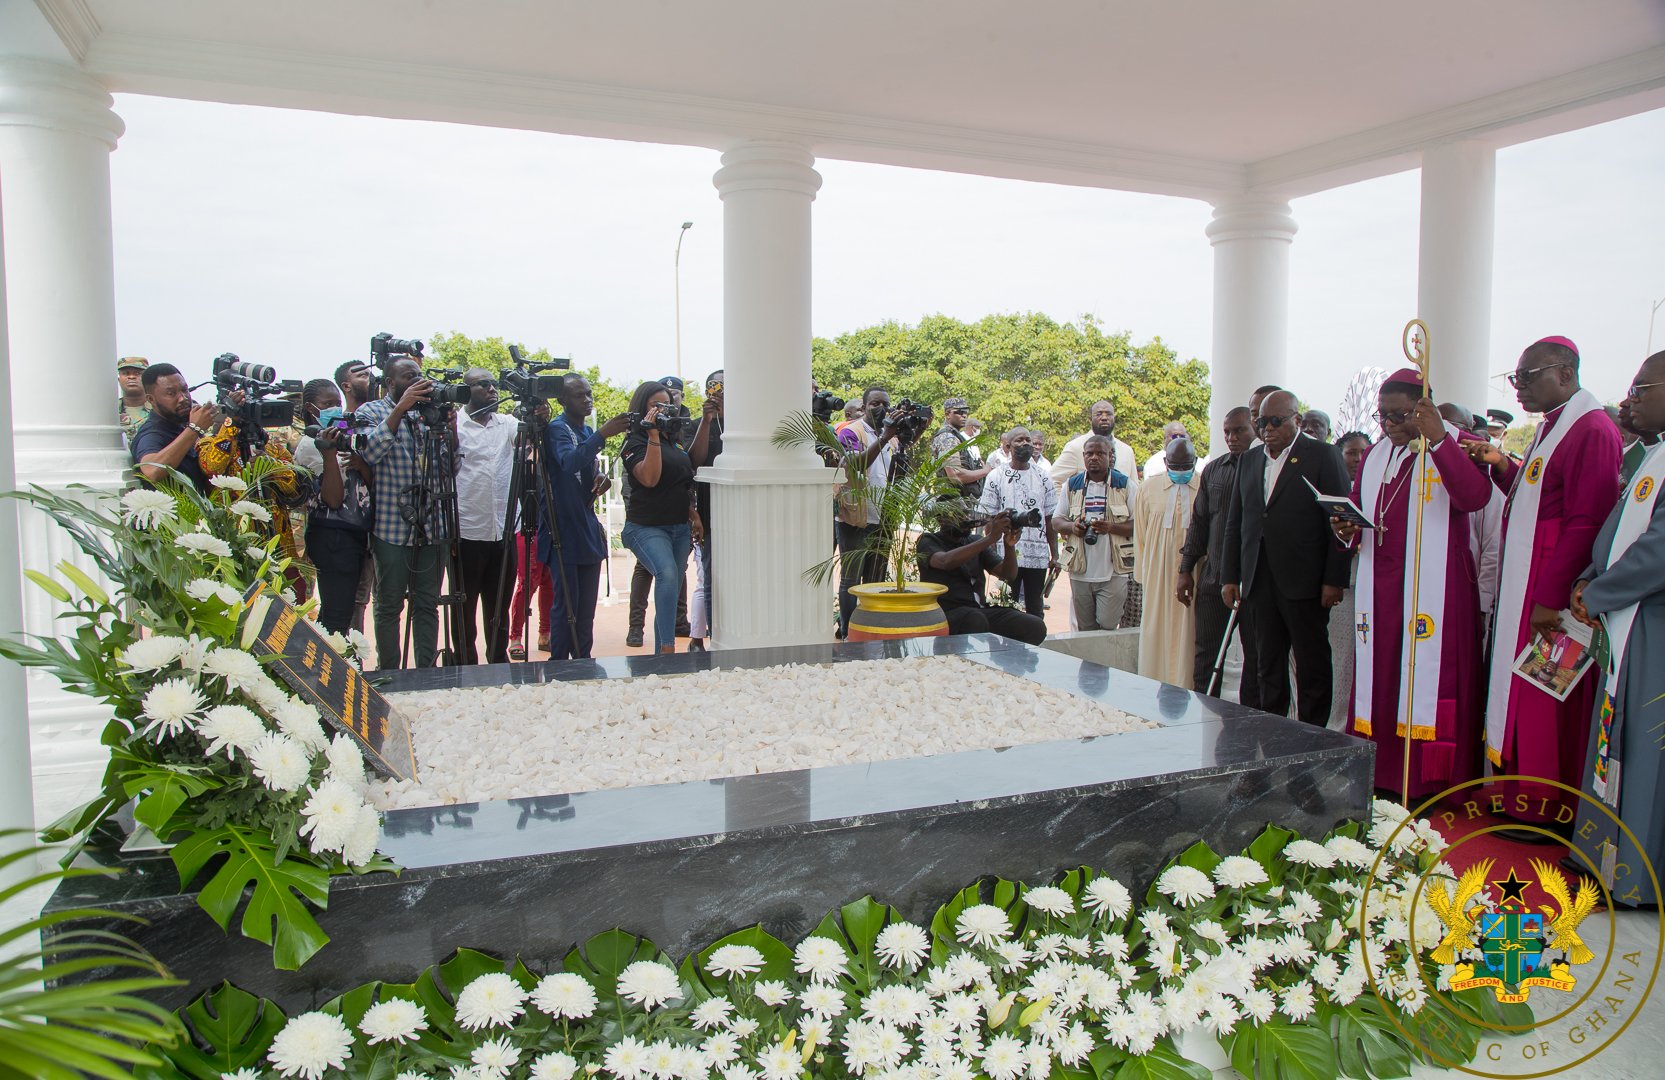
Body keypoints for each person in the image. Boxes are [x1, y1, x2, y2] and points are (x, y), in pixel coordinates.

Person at [1464, 336, 1623, 830]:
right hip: (1526, 580)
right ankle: (1516, 795)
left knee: (1544, 699)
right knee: (1522, 693)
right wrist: (1503, 466)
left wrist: (1549, 598)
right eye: (1515, 379)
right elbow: (1534, 499)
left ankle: (1546, 810)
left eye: (1527, 377)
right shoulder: (1551, 428)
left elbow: (1586, 520)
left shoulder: (1590, 428)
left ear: (1566, 373)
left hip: (1549, 589)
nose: (1518, 390)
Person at [1334, 371, 1491, 799]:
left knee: (1425, 675)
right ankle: (1381, 773)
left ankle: (1428, 782)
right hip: (1381, 586)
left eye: (1400, 415)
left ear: (1425, 410)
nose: (1388, 425)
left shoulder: (1454, 444)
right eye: (1381, 415)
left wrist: (1439, 440)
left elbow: (1475, 497)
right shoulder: (1376, 453)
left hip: (1436, 586)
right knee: (1381, 676)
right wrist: (1346, 529)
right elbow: (1362, 513)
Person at [1570, 350, 1665, 906]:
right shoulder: (1649, 457)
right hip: (1625, 615)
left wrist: (1599, 592)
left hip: (1651, 625)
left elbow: (1657, 553)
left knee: (1644, 746)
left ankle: (1636, 874)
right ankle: (1603, 854)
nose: (1629, 399)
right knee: (1613, 736)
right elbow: (1616, 528)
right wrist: (1588, 577)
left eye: (1641, 388)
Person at [1221, 389, 1351, 725]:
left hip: (1305, 581)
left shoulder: (1322, 455)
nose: (1267, 428)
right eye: (1261, 421)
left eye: (1276, 421)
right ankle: (1272, 729)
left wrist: (1334, 579)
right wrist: (1230, 576)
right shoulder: (1250, 460)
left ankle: (1312, 735)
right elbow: (1237, 522)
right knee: (1266, 664)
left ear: (1297, 419)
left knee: (1312, 664)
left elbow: (1337, 520)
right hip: (1258, 580)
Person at [355, 358, 453, 669]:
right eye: (409, 377)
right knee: (389, 605)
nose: (417, 381)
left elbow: (451, 470)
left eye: (420, 376)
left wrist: (449, 430)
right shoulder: (370, 412)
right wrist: (401, 409)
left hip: (432, 527)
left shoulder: (429, 416)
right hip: (390, 527)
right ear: (390, 383)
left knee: (427, 604)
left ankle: (425, 673)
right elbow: (369, 453)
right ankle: (391, 674)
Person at [542, 375, 633, 660]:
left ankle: (583, 660)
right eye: (579, 395)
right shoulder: (557, 429)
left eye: (589, 394)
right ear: (562, 400)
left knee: (585, 610)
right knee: (566, 606)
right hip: (563, 530)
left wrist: (600, 479)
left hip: (585, 528)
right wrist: (602, 435)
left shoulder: (584, 431)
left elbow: (582, 473)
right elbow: (568, 463)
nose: (587, 400)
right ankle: (559, 665)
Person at [1179, 407, 1256, 698]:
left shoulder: (1262, 470)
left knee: (1256, 660)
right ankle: (1204, 715)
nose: (1231, 438)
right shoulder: (1214, 469)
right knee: (1207, 658)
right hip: (1214, 578)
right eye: (1227, 432)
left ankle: (1249, 723)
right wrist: (1185, 570)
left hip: (1252, 582)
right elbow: (1199, 522)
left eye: (1239, 431)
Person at [620, 380, 701, 655]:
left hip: (679, 526)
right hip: (645, 527)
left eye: (666, 404)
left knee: (670, 587)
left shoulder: (672, 442)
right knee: (666, 574)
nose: (663, 409)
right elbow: (650, 478)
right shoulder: (635, 441)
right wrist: (652, 434)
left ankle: (661, 654)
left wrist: (693, 516)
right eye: (656, 404)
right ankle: (667, 651)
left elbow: (678, 482)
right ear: (643, 407)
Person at [293, 379, 373, 634]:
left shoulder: (344, 436)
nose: (336, 409)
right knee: (336, 618)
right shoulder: (310, 445)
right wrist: (328, 454)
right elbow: (333, 499)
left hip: (354, 534)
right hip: (332, 536)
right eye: (327, 405)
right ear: (310, 408)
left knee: (343, 611)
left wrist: (361, 464)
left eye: (337, 403)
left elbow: (366, 485)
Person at [453, 368, 518, 664]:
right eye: (484, 385)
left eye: (494, 384)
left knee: (498, 608)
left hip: (502, 531)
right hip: (466, 532)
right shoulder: (453, 423)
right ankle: (466, 663)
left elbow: (533, 433)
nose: (493, 389)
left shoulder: (506, 423)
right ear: (467, 391)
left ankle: (497, 661)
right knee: (463, 610)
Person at [916, 508, 1047, 644]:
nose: (965, 518)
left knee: (1035, 626)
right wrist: (990, 538)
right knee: (975, 619)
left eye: (967, 514)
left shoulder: (975, 540)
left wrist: (1009, 546)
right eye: (959, 514)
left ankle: (1006, 661)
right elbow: (945, 561)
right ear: (941, 520)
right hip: (946, 615)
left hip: (978, 612)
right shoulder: (928, 541)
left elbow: (1008, 574)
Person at [834, 387, 902, 637]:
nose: (881, 408)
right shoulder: (852, 431)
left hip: (883, 517)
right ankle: (848, 631)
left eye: (885, 403)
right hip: (856, 517)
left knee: (875, 580)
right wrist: (884, 437)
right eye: (875, 403)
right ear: (863, 407)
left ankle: (870, 629)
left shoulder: (892, 437)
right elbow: (857, 464)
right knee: (851, 580)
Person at [1133, 436, 1200, 686]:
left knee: (1189, 631)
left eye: (1186, 466)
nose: (1181, 471)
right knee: (1155, 629)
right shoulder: (1148, 488)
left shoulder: (1204, 486)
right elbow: (1140, 534)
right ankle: (1154, 682)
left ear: (1194, 462)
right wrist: (1144, 576)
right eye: (1175, 465)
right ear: (1165, 461)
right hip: (1157, 576)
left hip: (1194, 573)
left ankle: (1187, 684)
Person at [1053, 435, 1133, 631]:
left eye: (1100, 453)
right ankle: (1089, 663)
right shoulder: (1072, 485)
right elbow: (1056, 521)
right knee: (1085, 629)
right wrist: (1073, 527)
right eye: (1089, 453)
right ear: (1083, 456)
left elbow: (1139, 524)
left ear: (1110, 455)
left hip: (1114, 571)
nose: (1094, 458)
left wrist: (1110, 528)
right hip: (1080, 571)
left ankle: (1105, 662)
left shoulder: (1125, 485)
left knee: (1107, 624)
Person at [976, 428, 1058, 619]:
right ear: (1009, 446)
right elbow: (987, 517)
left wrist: (1055, 554)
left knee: (1035, 609)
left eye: (1028, 440)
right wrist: (989, 551)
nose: (1025, 444)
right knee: (1006, 607)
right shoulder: (996, 476)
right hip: (1006, 556)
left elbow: (1050, 517)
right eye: (1020, 440)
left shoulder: (1044, 476)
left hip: (1038, 556)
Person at [130, 362, 225, 492]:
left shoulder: (182, 423)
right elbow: (152, 470)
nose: (183, 398)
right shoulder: (152, 433)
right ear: (151, 399)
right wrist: (194, 430)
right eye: (171, 393)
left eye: (184, 389)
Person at [508, 399, 555, 660]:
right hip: (526, 523)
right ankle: (515, 636)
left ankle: (545, 633)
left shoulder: (551, 441)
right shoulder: (518, 446)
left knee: (550, 582)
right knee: (528, 581)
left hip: (550, 523)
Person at [334, 359, 376, 632]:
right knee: (343, 602)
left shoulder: (382, 420)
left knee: (365, 599)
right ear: (346, 385)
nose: (370, 378)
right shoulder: (339, 423)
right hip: (343, 526)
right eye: (362, 375)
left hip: (376, 526)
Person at [687, 369, 725, 651]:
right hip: (710, 514)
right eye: (717, 387)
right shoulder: (697, 424)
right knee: (712, 578)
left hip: (741, 513)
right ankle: (715, 640)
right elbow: (693, 461)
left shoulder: (746, 424)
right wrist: (708, 419)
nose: (722, 393)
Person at [1052, 400, 1138, 501]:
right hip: (1085, 514)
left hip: (1121, 514)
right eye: (1099, 414)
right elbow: (1053, 480)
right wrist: (1067, 505)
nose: (1104, 418)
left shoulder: (1126, 450)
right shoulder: (1076, 446)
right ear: (1090, 418)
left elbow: (1135, 488)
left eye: (1109, 414)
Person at [930, 397, 992, 502]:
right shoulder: (948, 438)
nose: (964, 415)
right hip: (954, 504)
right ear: (947, 414)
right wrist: (985, 471)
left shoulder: (955, 437)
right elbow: (956, 476)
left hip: (958, 501)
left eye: (965, 412)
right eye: (959, 412)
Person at [117, 357, 152, 447]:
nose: (131, 377)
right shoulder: (110, 411)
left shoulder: (159, 409)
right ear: (119, 379)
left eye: (138, 373)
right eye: (126, 373)